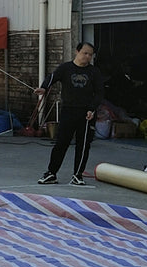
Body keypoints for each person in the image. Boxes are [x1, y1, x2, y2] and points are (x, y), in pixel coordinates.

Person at [35, 41, 105, 186]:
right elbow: (52, 78)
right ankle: (51, 173)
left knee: (83, 145)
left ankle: (78, 175)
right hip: (68, 111)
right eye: (85, 53)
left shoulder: (94, 72)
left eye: (90, 55)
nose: (87, 57)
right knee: (61, 143)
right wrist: (44, 88)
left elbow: (99, 93)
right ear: (77, 51)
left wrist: (92, 109)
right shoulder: (65, 68)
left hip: (87, 114)